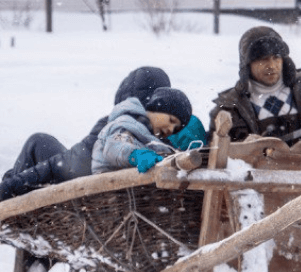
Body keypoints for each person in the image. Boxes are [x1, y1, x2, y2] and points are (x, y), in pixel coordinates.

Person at [0, 66, 201, 201]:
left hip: (85, 190)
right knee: (39, 149)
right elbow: (113, 148)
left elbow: (69, 164)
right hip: (87, 178)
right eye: (171, 122)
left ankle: (9, 193)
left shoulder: (123, 124)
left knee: (38, 143)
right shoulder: (125, 125)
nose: (170, 129)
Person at [209, 26, 301, 150]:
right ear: (247, 65)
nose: (271, 66)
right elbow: (213, 153)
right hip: (256, 184)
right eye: (263, 59)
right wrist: (242, 147)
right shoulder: (228, 107)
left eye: (276, 58)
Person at [91, 86, 195, 174]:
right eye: (171, 120)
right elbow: (115, 146)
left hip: (137, 191)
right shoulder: (126, 123)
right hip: (111, 186)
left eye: (176, 129)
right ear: (158, 108)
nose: (171, 129)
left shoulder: (155, 141)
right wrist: (135, 155)